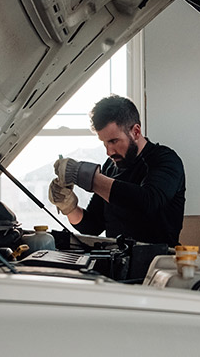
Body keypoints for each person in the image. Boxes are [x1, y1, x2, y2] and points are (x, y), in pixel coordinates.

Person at [47, 95, 186, 246]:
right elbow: (93, 226)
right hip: (118, 263)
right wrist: (69, 208)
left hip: (158, 265)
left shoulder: (165, 159)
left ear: (136, 132)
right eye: (105, 143)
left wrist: (85, 175)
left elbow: (147, 201)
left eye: (114, 141)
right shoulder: (110, 166)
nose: (109, 151)